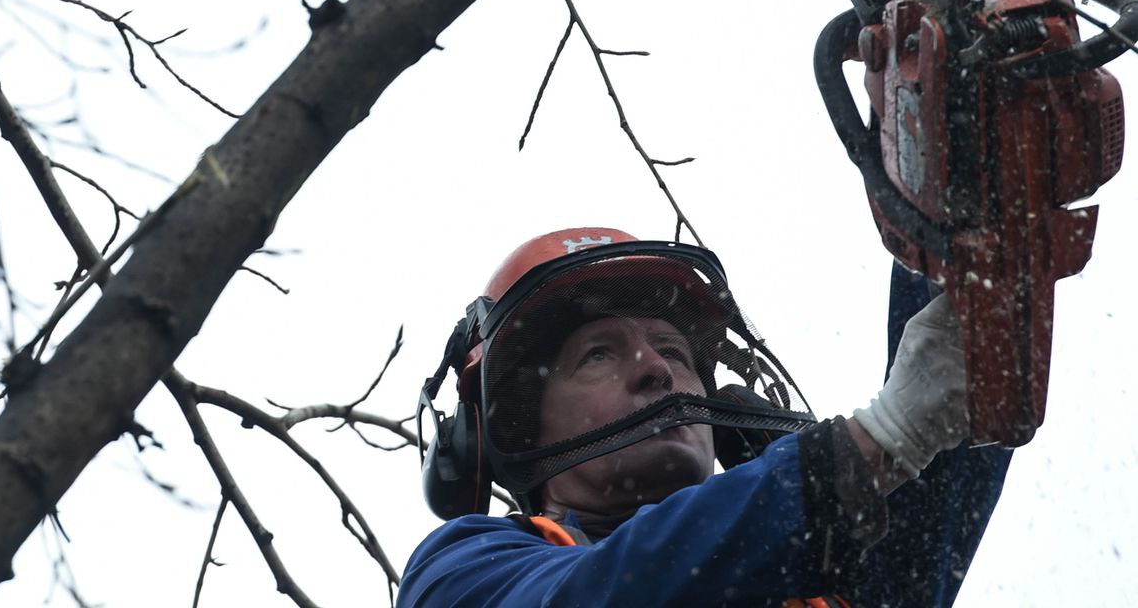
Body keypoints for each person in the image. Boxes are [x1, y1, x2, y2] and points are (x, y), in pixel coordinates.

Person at [401, 228, 1011, 607]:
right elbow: (604, 593)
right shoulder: (463, 575)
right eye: (598, 355)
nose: (656, 370)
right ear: (518, 428)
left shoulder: (827, 580)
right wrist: (866, 447)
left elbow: (955, 430)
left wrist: (938, 185)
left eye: (673, 351)